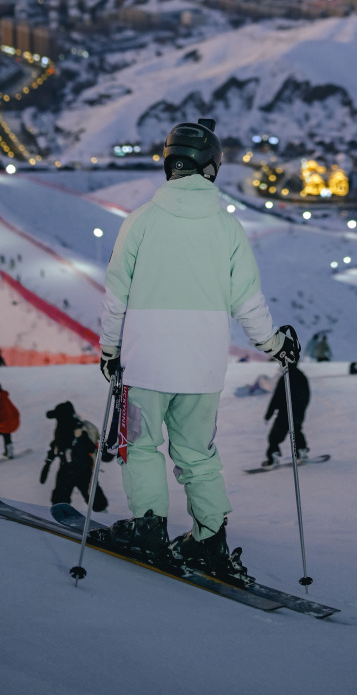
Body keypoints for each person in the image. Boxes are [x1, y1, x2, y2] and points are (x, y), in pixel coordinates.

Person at [99, 118, 298, 577]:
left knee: (141, 446)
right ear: (212, 167)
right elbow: (247, 300)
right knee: (197, 453)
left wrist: (110, 350)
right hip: (203, 368)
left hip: (144, 362)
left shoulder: (141, 221)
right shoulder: (227, 229)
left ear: (170, 162)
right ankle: (209, 539)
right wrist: (275, 344)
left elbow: (117, 296)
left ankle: (149, 529)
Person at [42, 400, 111, 511]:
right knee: (60, 497)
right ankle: (60, 514)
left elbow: (91, 447)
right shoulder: (61, 430)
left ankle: (102, 516)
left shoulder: (79, 429)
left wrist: (80, 438)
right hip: (66, 470)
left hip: (83, 470)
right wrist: (48, 463)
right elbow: (56, 445)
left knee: (94, 497)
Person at [262, 357, 310, 466]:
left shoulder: (285, 377)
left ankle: (274, 456)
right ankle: (301, 451)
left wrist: (268, 414)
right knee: (296, 431)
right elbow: (307, 396)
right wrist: (302, 409)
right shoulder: (302, 377)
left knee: (274, 437)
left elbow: (276, 397)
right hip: (298, 412)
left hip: (285, 413)